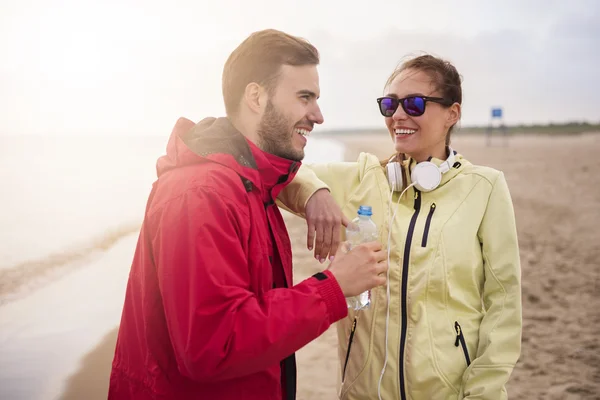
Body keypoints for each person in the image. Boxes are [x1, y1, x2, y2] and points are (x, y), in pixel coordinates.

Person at [108, 29, 388, 400]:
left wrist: (314, 189)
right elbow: (213, 345)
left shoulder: (254, 186)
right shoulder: (201, 195)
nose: (317, 115)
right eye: (305, 97)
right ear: (256, 96)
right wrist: (332, 287)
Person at [277, 54, 522, 399]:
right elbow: (279, 168)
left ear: (452, 113)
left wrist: (483, 391)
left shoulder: (485, 188)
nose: (399, 116)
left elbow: (504, 303)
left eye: (415, 103)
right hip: (363, 391)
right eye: (390, 104)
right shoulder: (361, 177)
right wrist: (315, 191)